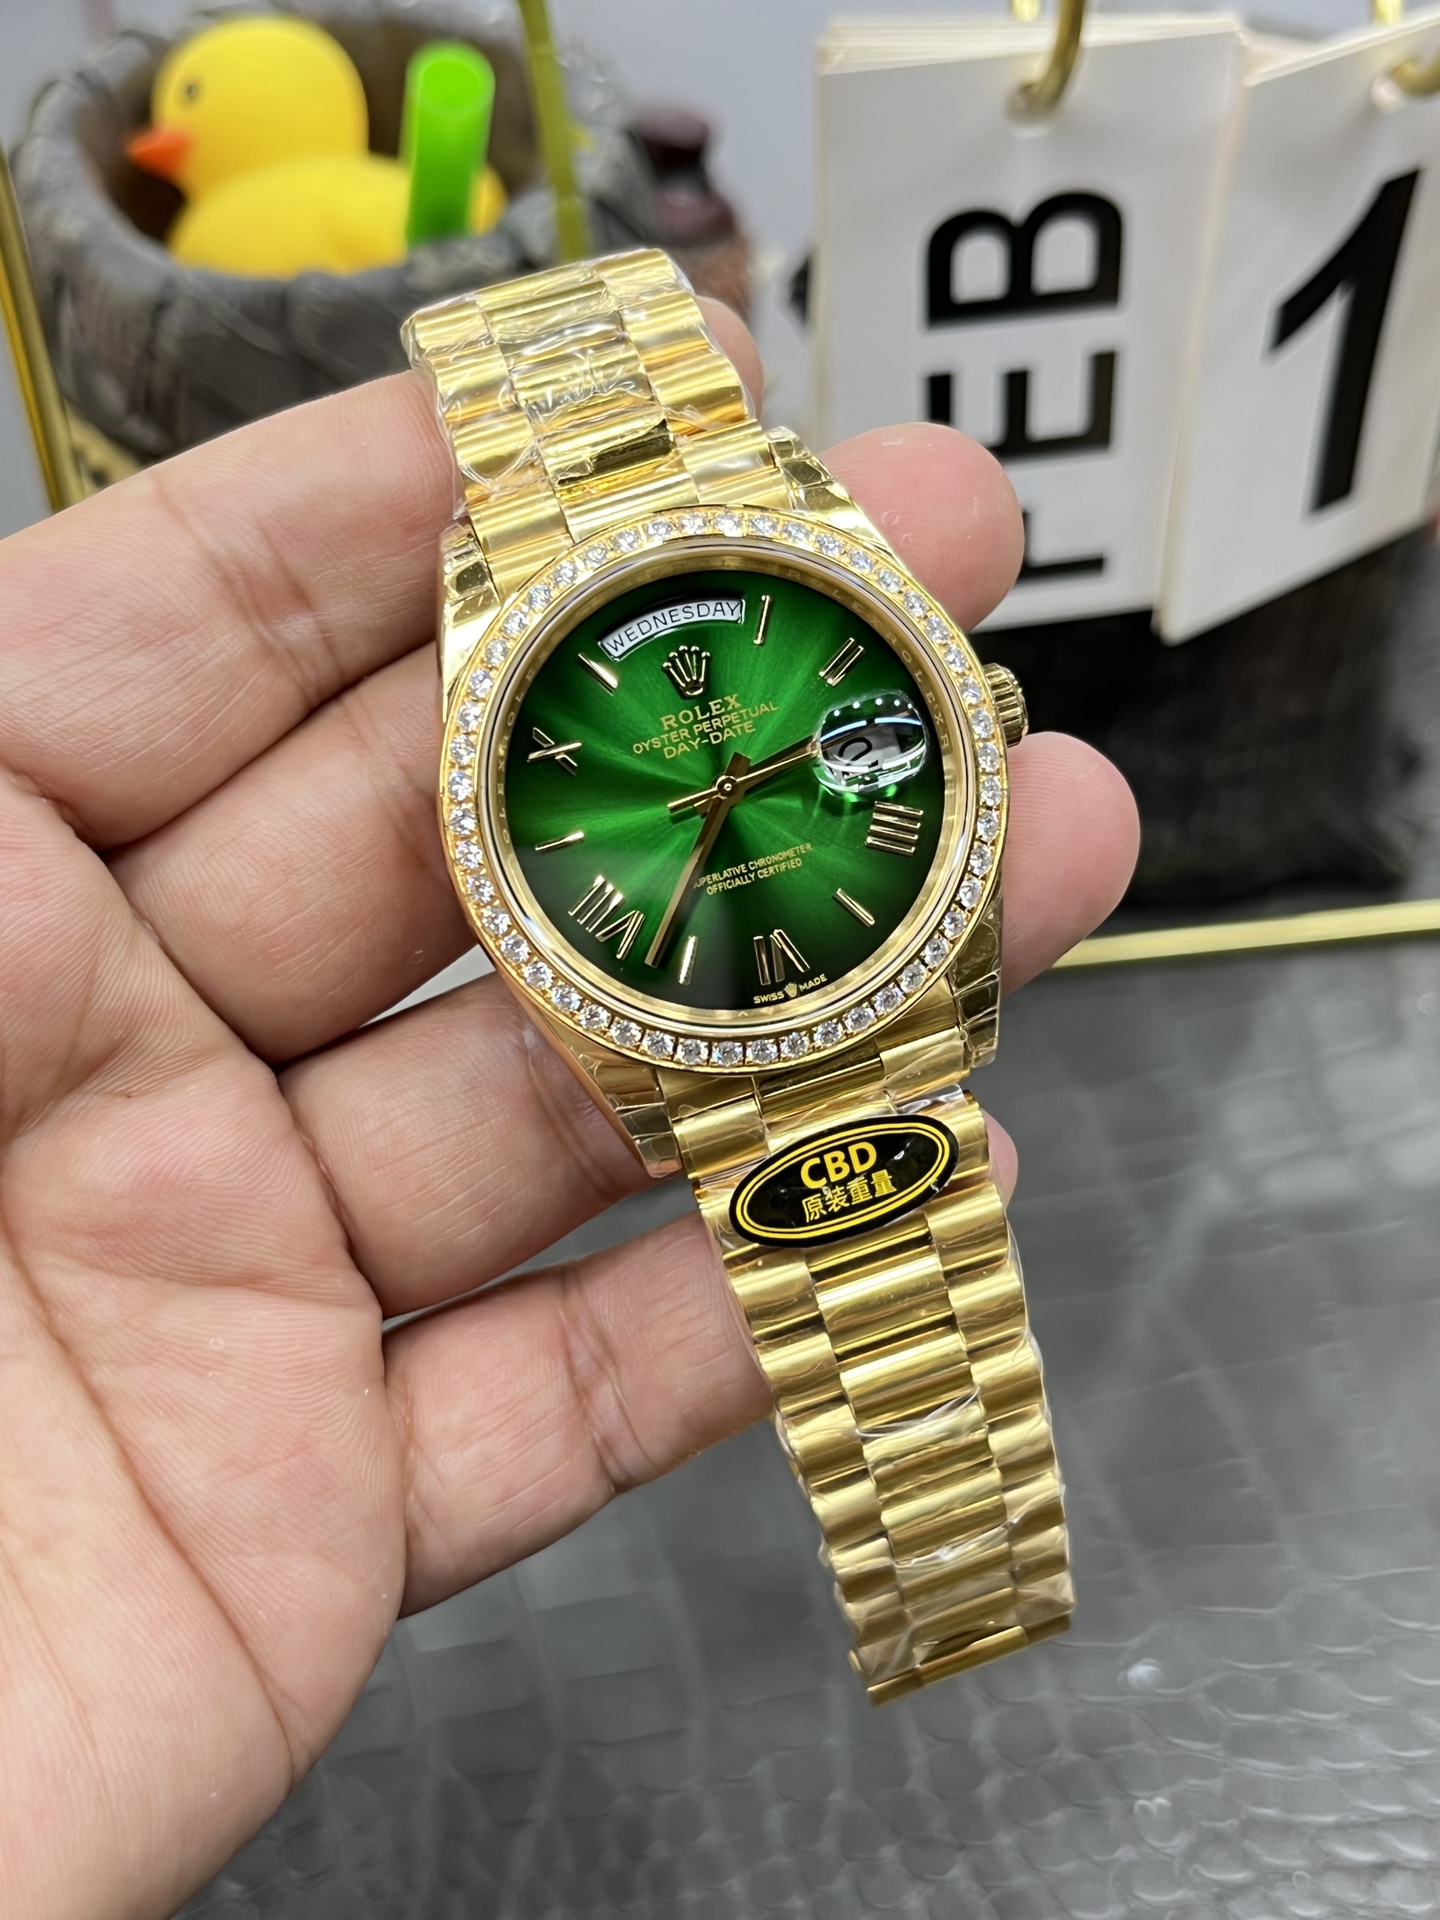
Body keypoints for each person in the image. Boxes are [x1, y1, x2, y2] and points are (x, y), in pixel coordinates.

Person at [0, 301, 1138, 1918]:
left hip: (872, 980)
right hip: (708, 1026)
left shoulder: (800, 604)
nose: (723, 789)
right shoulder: (542, 796)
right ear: (494, 858)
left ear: (972, 709)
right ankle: (964, 1588)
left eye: (740, 771)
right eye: (696, 790)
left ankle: (975, 1581)